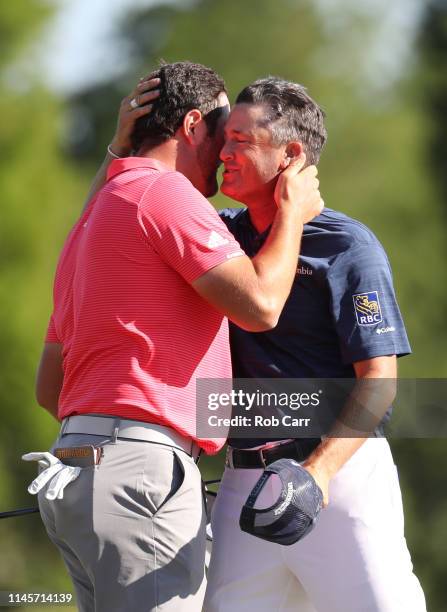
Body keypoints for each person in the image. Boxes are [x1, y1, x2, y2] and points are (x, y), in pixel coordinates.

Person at [32, 62, 322, 612]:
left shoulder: (92, 223)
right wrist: (292, 214)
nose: (227, 153)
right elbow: (261, 306)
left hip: (71, 473)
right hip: (139, 475)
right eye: (222, 132)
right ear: (192, 126)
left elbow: (51, 388)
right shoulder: (167, 193)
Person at [203, 78, 427, 612]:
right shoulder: (217, 236)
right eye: (222, 138)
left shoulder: (350, 245)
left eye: (240, 140)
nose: (223, 152)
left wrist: (317, 475)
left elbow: (380, 380)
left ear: (292, 154)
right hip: (241, 488)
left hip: (340, 480)